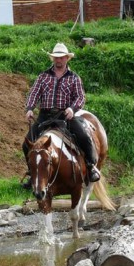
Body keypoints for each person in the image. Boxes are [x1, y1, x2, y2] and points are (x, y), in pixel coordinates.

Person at [21, 43, 101, 189]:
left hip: (65, 116)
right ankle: (33, 175)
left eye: (61, 57)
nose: (59, 60)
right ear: (53, 59)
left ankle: (90, 167)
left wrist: (72, 108)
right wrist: (30, 108)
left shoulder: (74, 78)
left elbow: (80, 97)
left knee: (84, 136)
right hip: (45, 116)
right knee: (27, 145)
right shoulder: (43, 76)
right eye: (56, 57)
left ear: (66, 59)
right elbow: (34, 93)